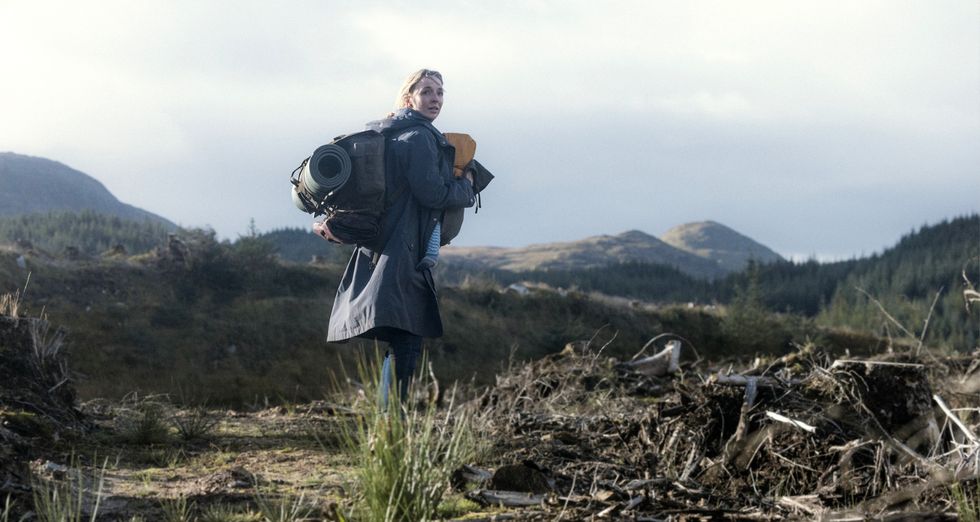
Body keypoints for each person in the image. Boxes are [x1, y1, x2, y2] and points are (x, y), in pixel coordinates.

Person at [315, 69, 475, 402]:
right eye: (427, 92)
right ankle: (392, 415)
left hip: (382, 245)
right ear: (409, 98)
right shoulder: (418, 137)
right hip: (405, 246)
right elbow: (432, 193)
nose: (435, 99)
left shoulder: (389, 132)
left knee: (402, 331)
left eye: (440, 93)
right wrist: (466, 188)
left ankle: (389, 413)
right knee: (408, 332)